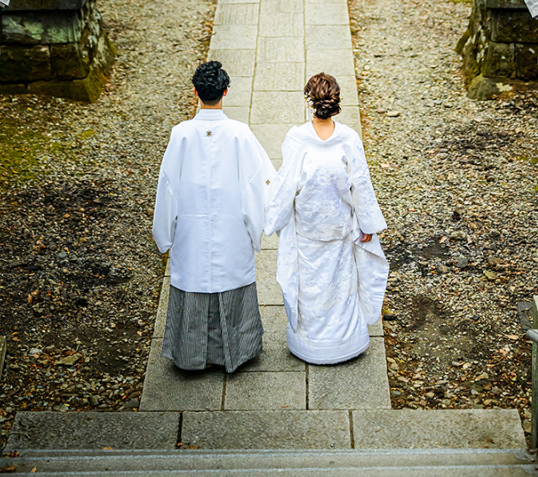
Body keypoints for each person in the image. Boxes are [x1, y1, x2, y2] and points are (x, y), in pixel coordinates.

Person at [153, 60, 276, 373]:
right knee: (231, 278)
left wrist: (164, 234)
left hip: (191, 230)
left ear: (196, 91)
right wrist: (258, 225)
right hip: (231, 227)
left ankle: (190, 354)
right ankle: (235, 350)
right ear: (225, 92)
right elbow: (257, 182)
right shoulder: (239, 133)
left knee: (193, 278)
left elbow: (168, 187)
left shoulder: (180, 134)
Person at [264, 73, 389, 365]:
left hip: (308, 228)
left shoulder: (297, 139)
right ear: (335, 101)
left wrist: (272, 217)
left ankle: (311, 344)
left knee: (309, 287)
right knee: (340, 285)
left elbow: (286, 185)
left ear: (310, 102)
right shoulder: (348, 139)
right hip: (339, 227)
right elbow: (360, 183)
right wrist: (367, 223)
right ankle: (343, 341)